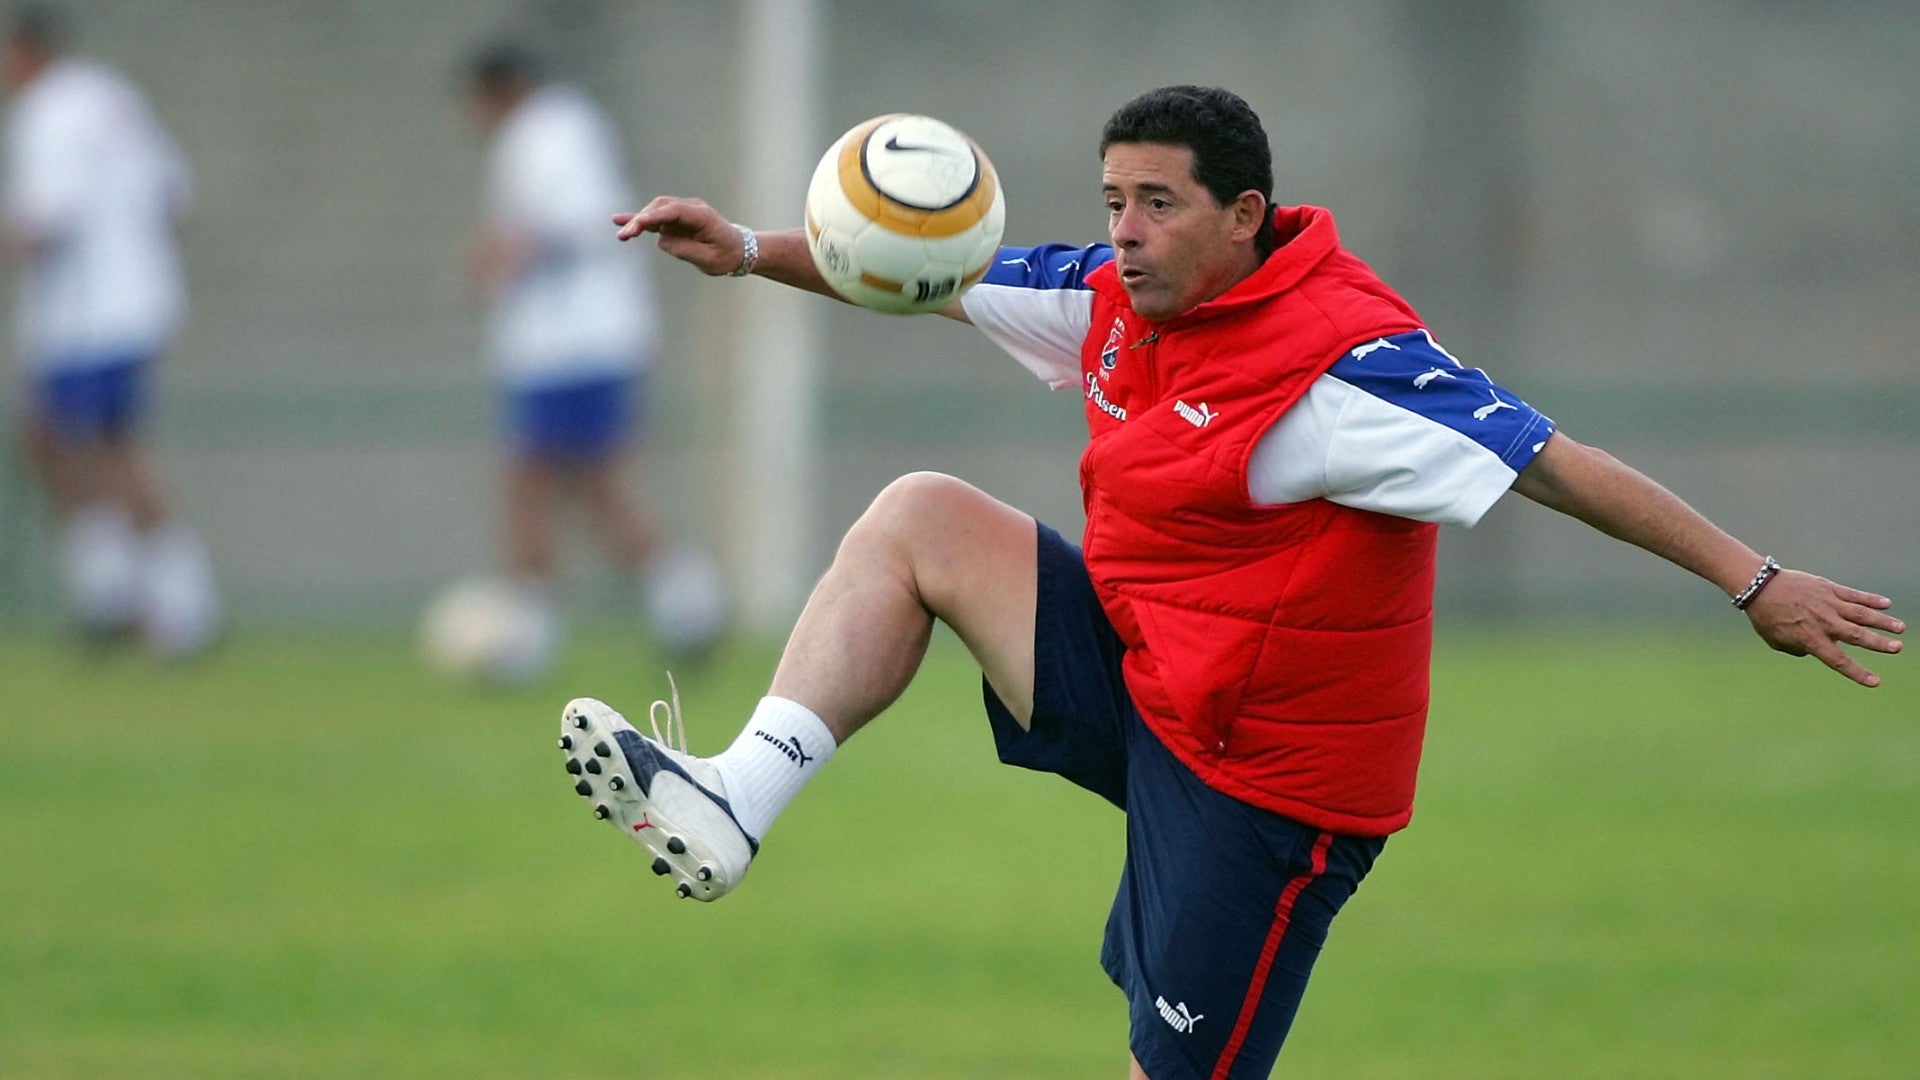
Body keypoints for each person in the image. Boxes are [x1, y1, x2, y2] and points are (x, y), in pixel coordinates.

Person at [558, 86, 1904, 1079]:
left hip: (1270, 794)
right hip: (1158, 692)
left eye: (1158, 205)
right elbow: (928, 274)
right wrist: (745, 248)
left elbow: (1556, 465)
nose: (1124, 233)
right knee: (921, 517)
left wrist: (1753, 580)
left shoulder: (1347, 367)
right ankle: (739, 795)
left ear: (1244, 216)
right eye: (1111, 203)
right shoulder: (1116, 298)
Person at [458, 41, 723, 676]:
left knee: (530, 481)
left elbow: (585, 220)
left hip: (572, 342)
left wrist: (507, 251)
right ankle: (689, 602)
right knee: (593, 488)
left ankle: (526, 638)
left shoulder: (551, 130)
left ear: (498, 90)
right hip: (576, 340)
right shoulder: (554, 129)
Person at [1, 3, 219, 657]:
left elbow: (48, 220)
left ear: (27, 52)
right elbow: (176, 195)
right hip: (132, 300)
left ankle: (181, 607)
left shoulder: (50, 111)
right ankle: (113, 593)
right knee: (48, 440)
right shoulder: (112, 96)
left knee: (110, 449)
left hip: (90, 313)